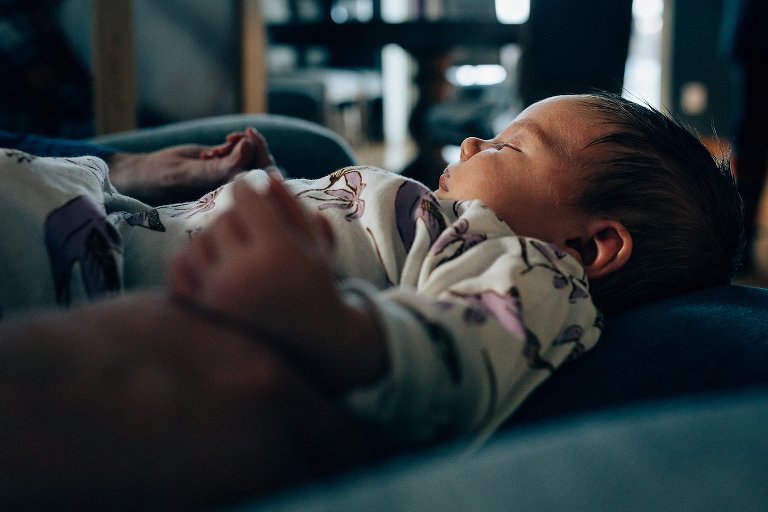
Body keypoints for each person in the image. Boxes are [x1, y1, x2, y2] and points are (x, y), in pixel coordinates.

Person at [0, 93, 743, 507]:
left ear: (590, 247)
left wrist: (329, 321)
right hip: (86, 204)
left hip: (72, 261)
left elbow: (456, 352)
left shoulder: (527, 270)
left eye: (513, 147)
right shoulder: (436, 220)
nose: (471, 147)